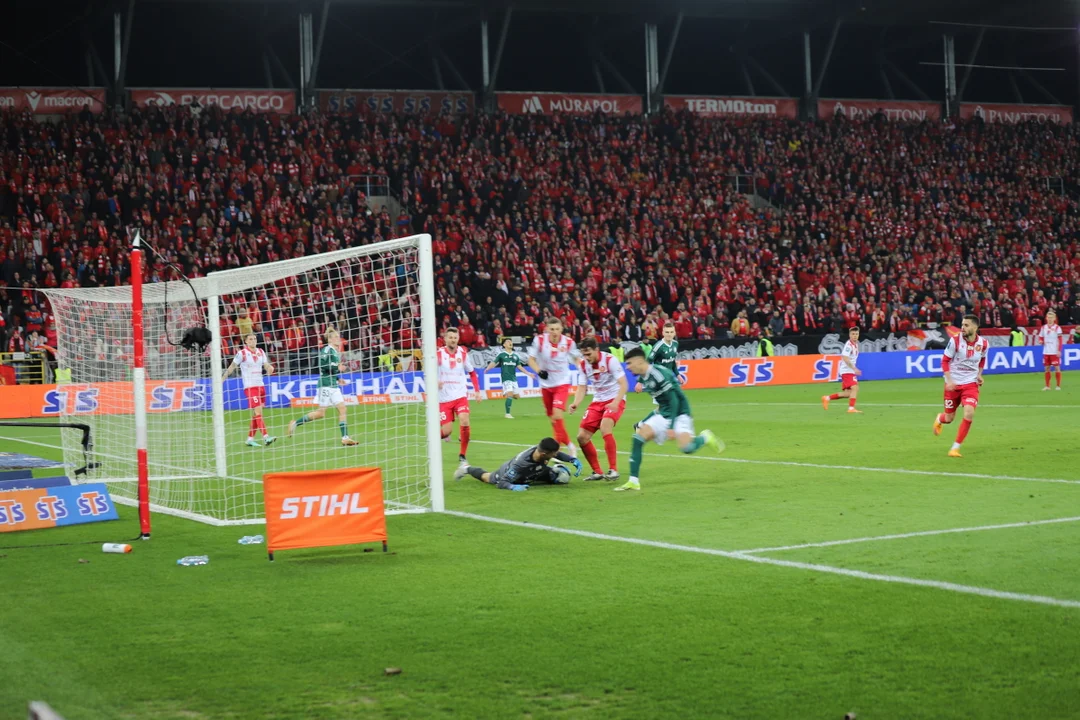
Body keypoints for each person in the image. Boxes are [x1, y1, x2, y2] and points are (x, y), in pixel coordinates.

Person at [617, 347, 723, 492]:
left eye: (629, 363)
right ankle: (633, 481)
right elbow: (662, 403)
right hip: (664, 413)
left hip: (680, 413)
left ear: (638, 361)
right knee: (638, 438)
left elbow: (674, 401)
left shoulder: (659, 374)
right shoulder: (643, 378)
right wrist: (645, 421)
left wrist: (671, 426)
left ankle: (704, 438)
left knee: (687, 448)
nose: (627, 367)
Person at [568, 336, 628, 481]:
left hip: (615, 398)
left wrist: (616, 402)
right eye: (584, 354)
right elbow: (582, 387)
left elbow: (624, 383)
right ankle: (597, 472)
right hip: (598, 400)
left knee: (605, 426)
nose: (586, 357)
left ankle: (613, 470)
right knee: (582, 437)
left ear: (596, 350)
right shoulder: (583, 365)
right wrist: (576, 402)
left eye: (589, 354)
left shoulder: (609, 360)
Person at [287, 328, 358, 446]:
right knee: (321, 413)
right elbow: (323, 365)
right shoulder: (327, 349)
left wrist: (337, 378)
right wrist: (337, 368)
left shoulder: (335, 352)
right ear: (329, 339)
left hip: (333, 385)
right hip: (325, 385)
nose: (338, 339)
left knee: (343, 409)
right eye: (335, 337)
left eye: (338, 336)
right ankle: (295, 423)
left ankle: (345, 438)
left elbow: (331, 369)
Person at [933, 315, 989, 458]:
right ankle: (940, 419)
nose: (963, 328)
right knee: (949, 418)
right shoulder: (955, 341)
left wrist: (979, 374)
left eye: (966, 325)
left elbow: (982, 359)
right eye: (962, 325)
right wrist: (950, 380)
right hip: (953, 385)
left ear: (975, 327)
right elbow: (944, 361)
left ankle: (955, 448)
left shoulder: (983, 344)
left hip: (970, 384)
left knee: (969, 412)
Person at [527, 317, 581, 457]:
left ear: (562, 329)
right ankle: (569, 444)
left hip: (562, 383)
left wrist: (583, 370)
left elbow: (577, 359)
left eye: (557, 329)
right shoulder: (539, 340)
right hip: (546, 385)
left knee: (557, 414)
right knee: (553, 419)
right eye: (552, 329)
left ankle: (555, 452)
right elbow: (530, 359)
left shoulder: (568, 342)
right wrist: (539, 371)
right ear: (546, 329)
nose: (555, 332)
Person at [453, 436, 582, 491]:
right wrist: (512, 487)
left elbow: (556, 453)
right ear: (544, 454)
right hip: (509, 472)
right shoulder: (521, 464)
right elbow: (503, 482)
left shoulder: (542, 451)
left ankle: (545, 476)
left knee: (560, 475)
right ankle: (466, 468)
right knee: (488, 477)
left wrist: (572, 459)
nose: (556, 455)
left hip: (534, 470)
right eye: (553, 454)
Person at [222, 333, 277, 447]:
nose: (253, 340)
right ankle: (266, 437)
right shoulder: (242, 353)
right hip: (250, 387)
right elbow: (232, 366)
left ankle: (250, 439)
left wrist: (270, 368)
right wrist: (222, 379)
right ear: (246, 342)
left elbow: (265, 364)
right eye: (250, 339)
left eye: (255, 339)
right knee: (258, 413)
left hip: (260, 386)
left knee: (257, 414)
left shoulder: (261, 351)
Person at [438, 327, 482, 466]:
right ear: (445, 339)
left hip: (460, 395)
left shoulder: (463, 353)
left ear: (458, 339)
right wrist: (435, 381)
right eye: (450, 337)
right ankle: (432, 438)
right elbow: (427, 371)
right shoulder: (438, 354)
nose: (453, 340)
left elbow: (472, 372)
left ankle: (462, 455)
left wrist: (477, 390)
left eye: (455, 337)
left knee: (464, 420)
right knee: (446, 432)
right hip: (444, 398)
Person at [822, 326, 862, 413]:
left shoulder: (856, 344)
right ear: (849, 335)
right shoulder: (849, 345)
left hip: (849, 371)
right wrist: (854, 368)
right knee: (855, 388)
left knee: (848, 394)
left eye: (856, 334)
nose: (855, 336)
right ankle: (851, 408)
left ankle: (827, 398)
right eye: (853, 334)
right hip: (847, 371)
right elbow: (845, 357)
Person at [486, 337, 525, 419]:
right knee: (510, 395)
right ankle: (507, 414)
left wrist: (529, 373)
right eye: (508, 342)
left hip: (513, 379)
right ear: (504, 345)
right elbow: (494, 362)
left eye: (511, 341)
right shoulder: (502, 355)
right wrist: (488, 368)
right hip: (506, 378)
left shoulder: (515, 356)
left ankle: (506, 392)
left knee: (517, 396)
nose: (510, 343)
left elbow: (520, 367)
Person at [1039, 310, 1063, 391]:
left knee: (1057, 368)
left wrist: (1059, 350)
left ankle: (1058, 385)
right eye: (1048, 317)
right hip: (1046, 351)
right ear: (1046, 318)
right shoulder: (1043, 327)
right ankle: (1047, 386)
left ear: (1054, 318)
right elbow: (1041, 337)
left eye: (1051, 318)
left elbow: (1060, 340)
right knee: (1046, 368)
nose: (1049, 319)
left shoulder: (1057, 328)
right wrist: (1041, 341)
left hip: (1054, 351)